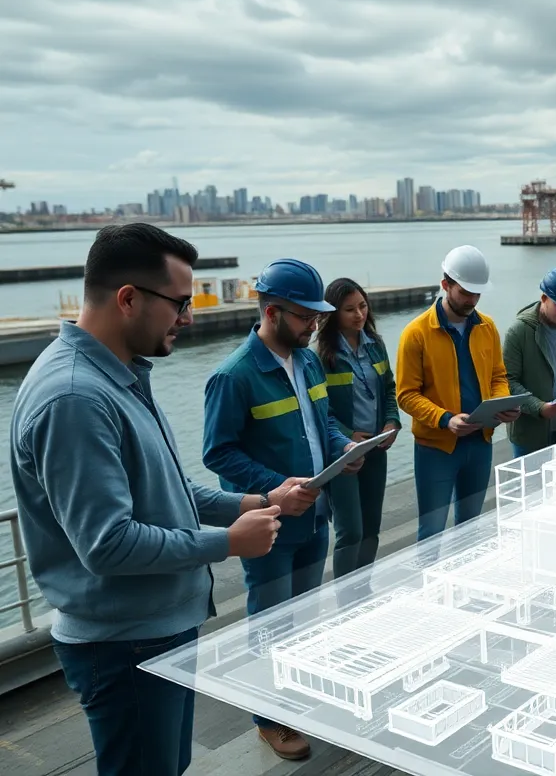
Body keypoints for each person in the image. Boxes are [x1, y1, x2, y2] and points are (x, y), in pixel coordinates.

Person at [8, 223, 312, 776]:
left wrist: (256, 501)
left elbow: (170, 491)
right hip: (124, 644)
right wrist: (228, 543)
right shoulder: (75, 397)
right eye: (180, 303)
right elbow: (108, 545)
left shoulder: (118, 375)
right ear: (129, 299)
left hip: (152, 630)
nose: (189, 318)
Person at [202, 258, 363, 761]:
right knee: (270, 618)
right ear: (272, 313)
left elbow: (324, 420)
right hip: (270, 524)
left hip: (315, 515)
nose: (315, 324)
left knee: (304, 614)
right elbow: (218, 453)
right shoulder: (234, 376)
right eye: (304, 316)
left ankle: (295, 693)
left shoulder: (309, 360)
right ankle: (269, 716)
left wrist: (342, 447)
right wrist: (276, 489)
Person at [396, 245, 519, 542]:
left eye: (477, 294)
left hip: (480, 442)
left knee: (471, 529)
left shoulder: (487, 327)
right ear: (445, 285)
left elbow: (497, 376)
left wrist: (500, 403)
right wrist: (445, 419)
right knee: (431, 532)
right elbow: (406, 394)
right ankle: (430, 587)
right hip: (436, 449)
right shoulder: (416, 334)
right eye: (465, 292)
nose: (472, 300)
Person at [313, 278, 402, 579]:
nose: (359, 314)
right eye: (349, 309)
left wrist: (392, 421)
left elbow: (390, 389)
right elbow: (320, 409)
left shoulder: (375, 345)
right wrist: (348, 435)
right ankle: (343, 598)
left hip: (376, 447)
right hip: (343, 455)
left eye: (362, 306)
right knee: (350, 530)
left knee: (372, 528)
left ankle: (363, 591)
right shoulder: (321, 356)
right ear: (333, 313)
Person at [503, 268, 556, 458]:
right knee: (531, 487)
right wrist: (539, 408)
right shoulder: (518, 332)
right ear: (544, 298)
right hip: (530, 435)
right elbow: (507, 382)